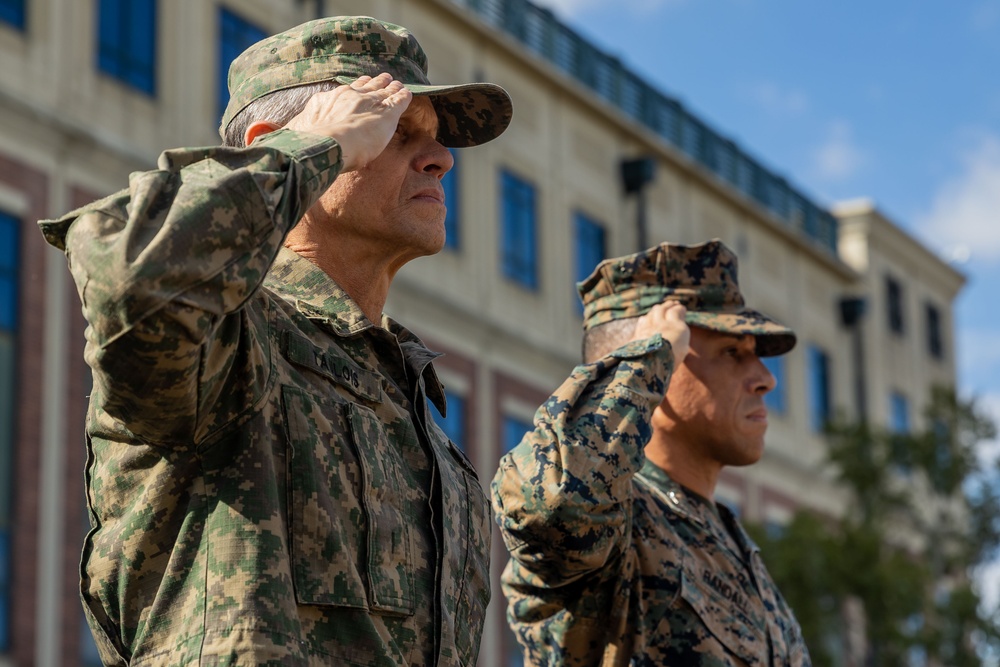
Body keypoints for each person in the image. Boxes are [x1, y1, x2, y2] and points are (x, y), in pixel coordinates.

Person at [38, 16, 511, 667]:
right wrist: (311, 148)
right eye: (394, 128)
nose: (441, 158)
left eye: (432, 139)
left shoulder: (409, 400)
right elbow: (133, 279)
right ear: (284, 144)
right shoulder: (230, 340)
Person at [492, 240, 812, 666]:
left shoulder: (731, 543)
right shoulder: (618, 528)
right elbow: (552, 506)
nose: (765, 379)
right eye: (732, 352)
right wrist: (646, 360)